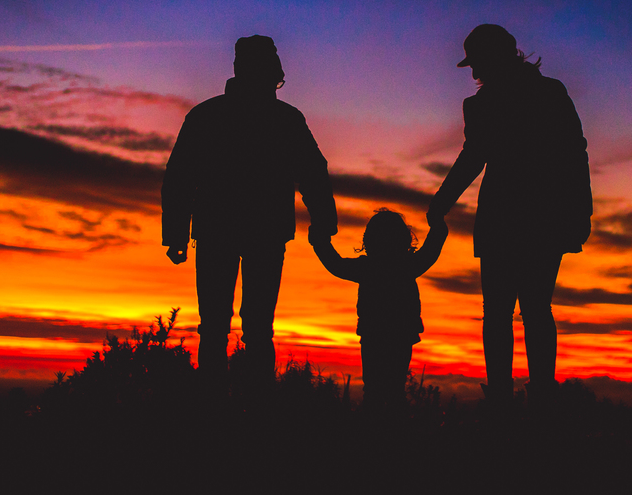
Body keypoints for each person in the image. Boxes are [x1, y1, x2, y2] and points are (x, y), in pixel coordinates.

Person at [427, 24, 592, 409]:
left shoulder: (509, 100)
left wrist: (441, 202)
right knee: (526, 309)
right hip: (536, 216)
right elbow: (574, 153)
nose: (473, 72)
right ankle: (524, 400)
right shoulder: (542, 93)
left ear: (494, 57)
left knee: (507, 311)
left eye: (476, 62)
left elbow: (571, 152)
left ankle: (517, 401)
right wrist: (441, 201)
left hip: (518, 216)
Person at [162, 35, 338, 388]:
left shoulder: (210, 115)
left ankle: (229, 406)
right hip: (250, 232)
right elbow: (180, 177)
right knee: (245, 327)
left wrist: (177, 235)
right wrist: (323, 222)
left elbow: (179, 177)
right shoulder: (281, 118)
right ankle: (248, 408)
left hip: (235, 232)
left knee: (223, 326)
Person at [310, 208, 448, 408]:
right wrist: (438, 225)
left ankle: (374, 431)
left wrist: (320, 241)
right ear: (404, 239)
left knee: (374, 391)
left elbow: (335, 264)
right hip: (399, 333)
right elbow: (431, 250)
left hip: (374, 334)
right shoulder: (408, 266)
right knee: (393, 391)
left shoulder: (369, 268)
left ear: (369, 240)